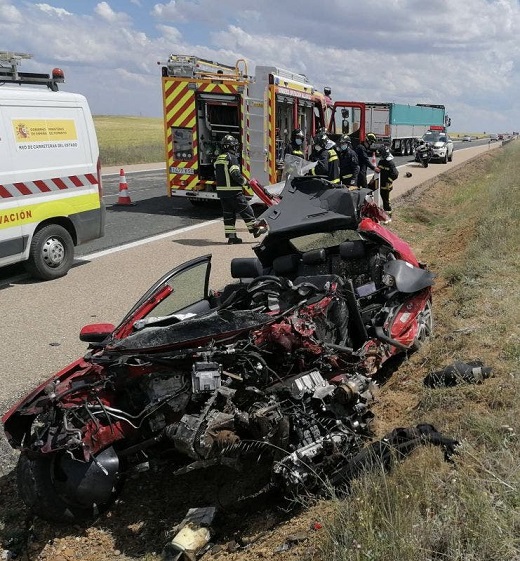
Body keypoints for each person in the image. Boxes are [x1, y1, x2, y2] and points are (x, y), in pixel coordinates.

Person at [214, 135, 266, 244]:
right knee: (246, 210)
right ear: (231, 146)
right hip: (233, 192)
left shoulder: (219, 158)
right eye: (234, 146)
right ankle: (255, 229)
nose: (235, 148)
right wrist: (245, 182)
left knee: (228, 215)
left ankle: (232, 238)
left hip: (222, 193)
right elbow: (235, 174)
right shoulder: (231, 158)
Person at [376, 145, 399, 223]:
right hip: (379, 184)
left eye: (381, 154)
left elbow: (395, 174)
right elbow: (377, 171)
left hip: (386, 186)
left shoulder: (390, 163)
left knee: (386, 201)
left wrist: (388, 181)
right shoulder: (381, 161)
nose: (380, 156)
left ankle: (388, 217)